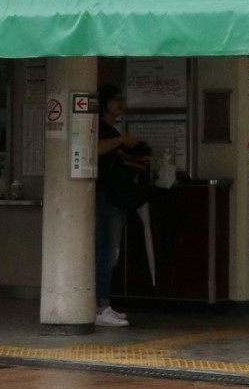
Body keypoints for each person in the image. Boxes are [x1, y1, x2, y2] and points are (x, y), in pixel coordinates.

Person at [95, 84, 146, 328]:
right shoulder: (99, 129)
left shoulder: (110, 130)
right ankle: (100, 306)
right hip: (106, 196)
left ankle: (102, 304)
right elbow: (94, 148)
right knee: (106, 252)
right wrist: (121, 140)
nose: (120, 104)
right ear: (104, 103)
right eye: (116, 100)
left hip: (113, 196)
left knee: (110, 253)